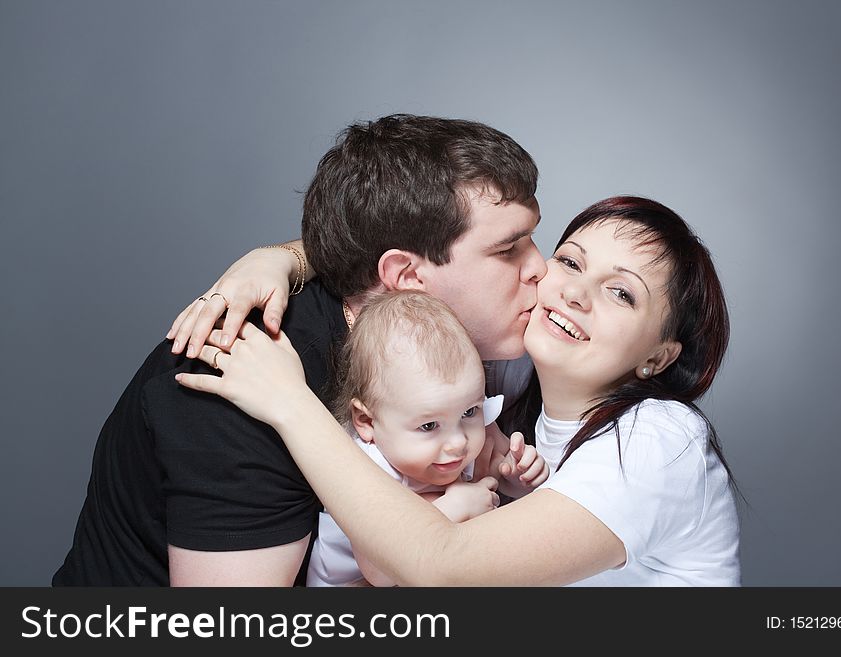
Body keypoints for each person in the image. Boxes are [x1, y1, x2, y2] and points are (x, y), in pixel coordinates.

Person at [53, 114, 545, 586]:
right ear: (408, 277)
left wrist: (285, 255)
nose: (540, 268)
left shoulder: (480, 336)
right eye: (508, 250)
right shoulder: (238, 375)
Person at [177, 196, 742, 586]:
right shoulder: (499, 376)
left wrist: (291, 406)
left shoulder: (660, 440)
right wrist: (279, 257)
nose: (575, 293)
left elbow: (442, 567)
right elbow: (410, 264)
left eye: (622, 294)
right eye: (569, 261)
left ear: (658, 356)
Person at [307, 290, 547, 586]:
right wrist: (452, 509)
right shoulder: (366, 468)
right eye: (429, 425)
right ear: (367, 421)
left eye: (470, 411)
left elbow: (491, 478)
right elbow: (379, 571)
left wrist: (514, 478)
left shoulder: (453, 440)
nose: (458, 442)